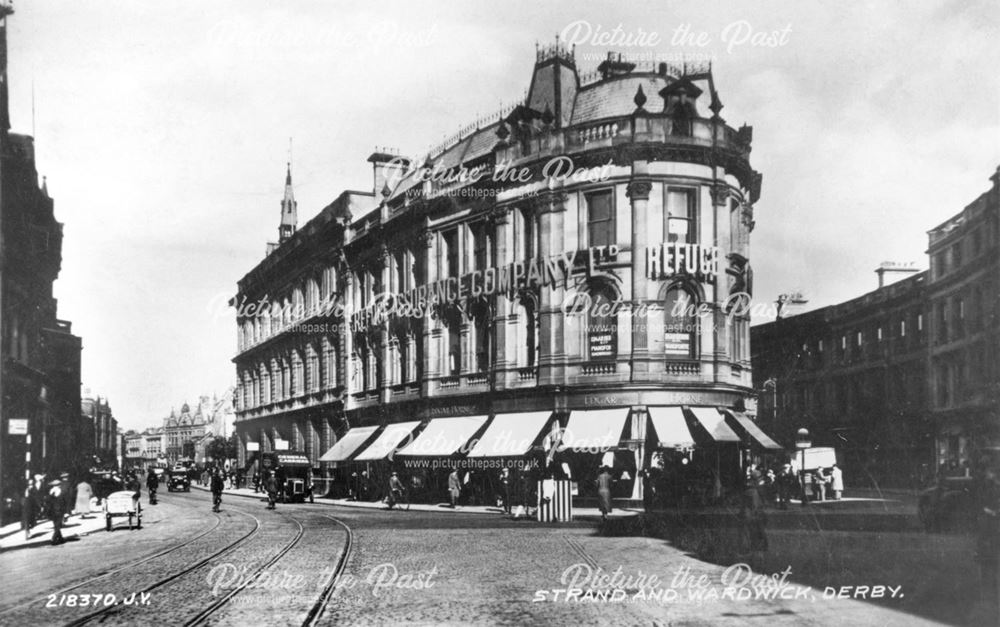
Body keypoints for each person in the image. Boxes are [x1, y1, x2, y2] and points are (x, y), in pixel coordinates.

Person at [741, 471, 768, 570]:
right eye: (760, 480)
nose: (762, 482)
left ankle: (753, 560)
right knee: (758, 539)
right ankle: (759, 562)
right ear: (755, 481)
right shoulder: (753, 492)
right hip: (755, 518)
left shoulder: (750, 491)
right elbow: (754, 507)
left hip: (751, 518)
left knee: (752, 539)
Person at [45, 476, 67, 545]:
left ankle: (60, 538)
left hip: (52, 510)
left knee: (56, 524)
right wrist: (66, 512)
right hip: (59, 510)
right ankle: (53, 539)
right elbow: (63, 502)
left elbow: (48, 501)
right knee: (58, 525)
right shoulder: (60, 492)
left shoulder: (50, 491)